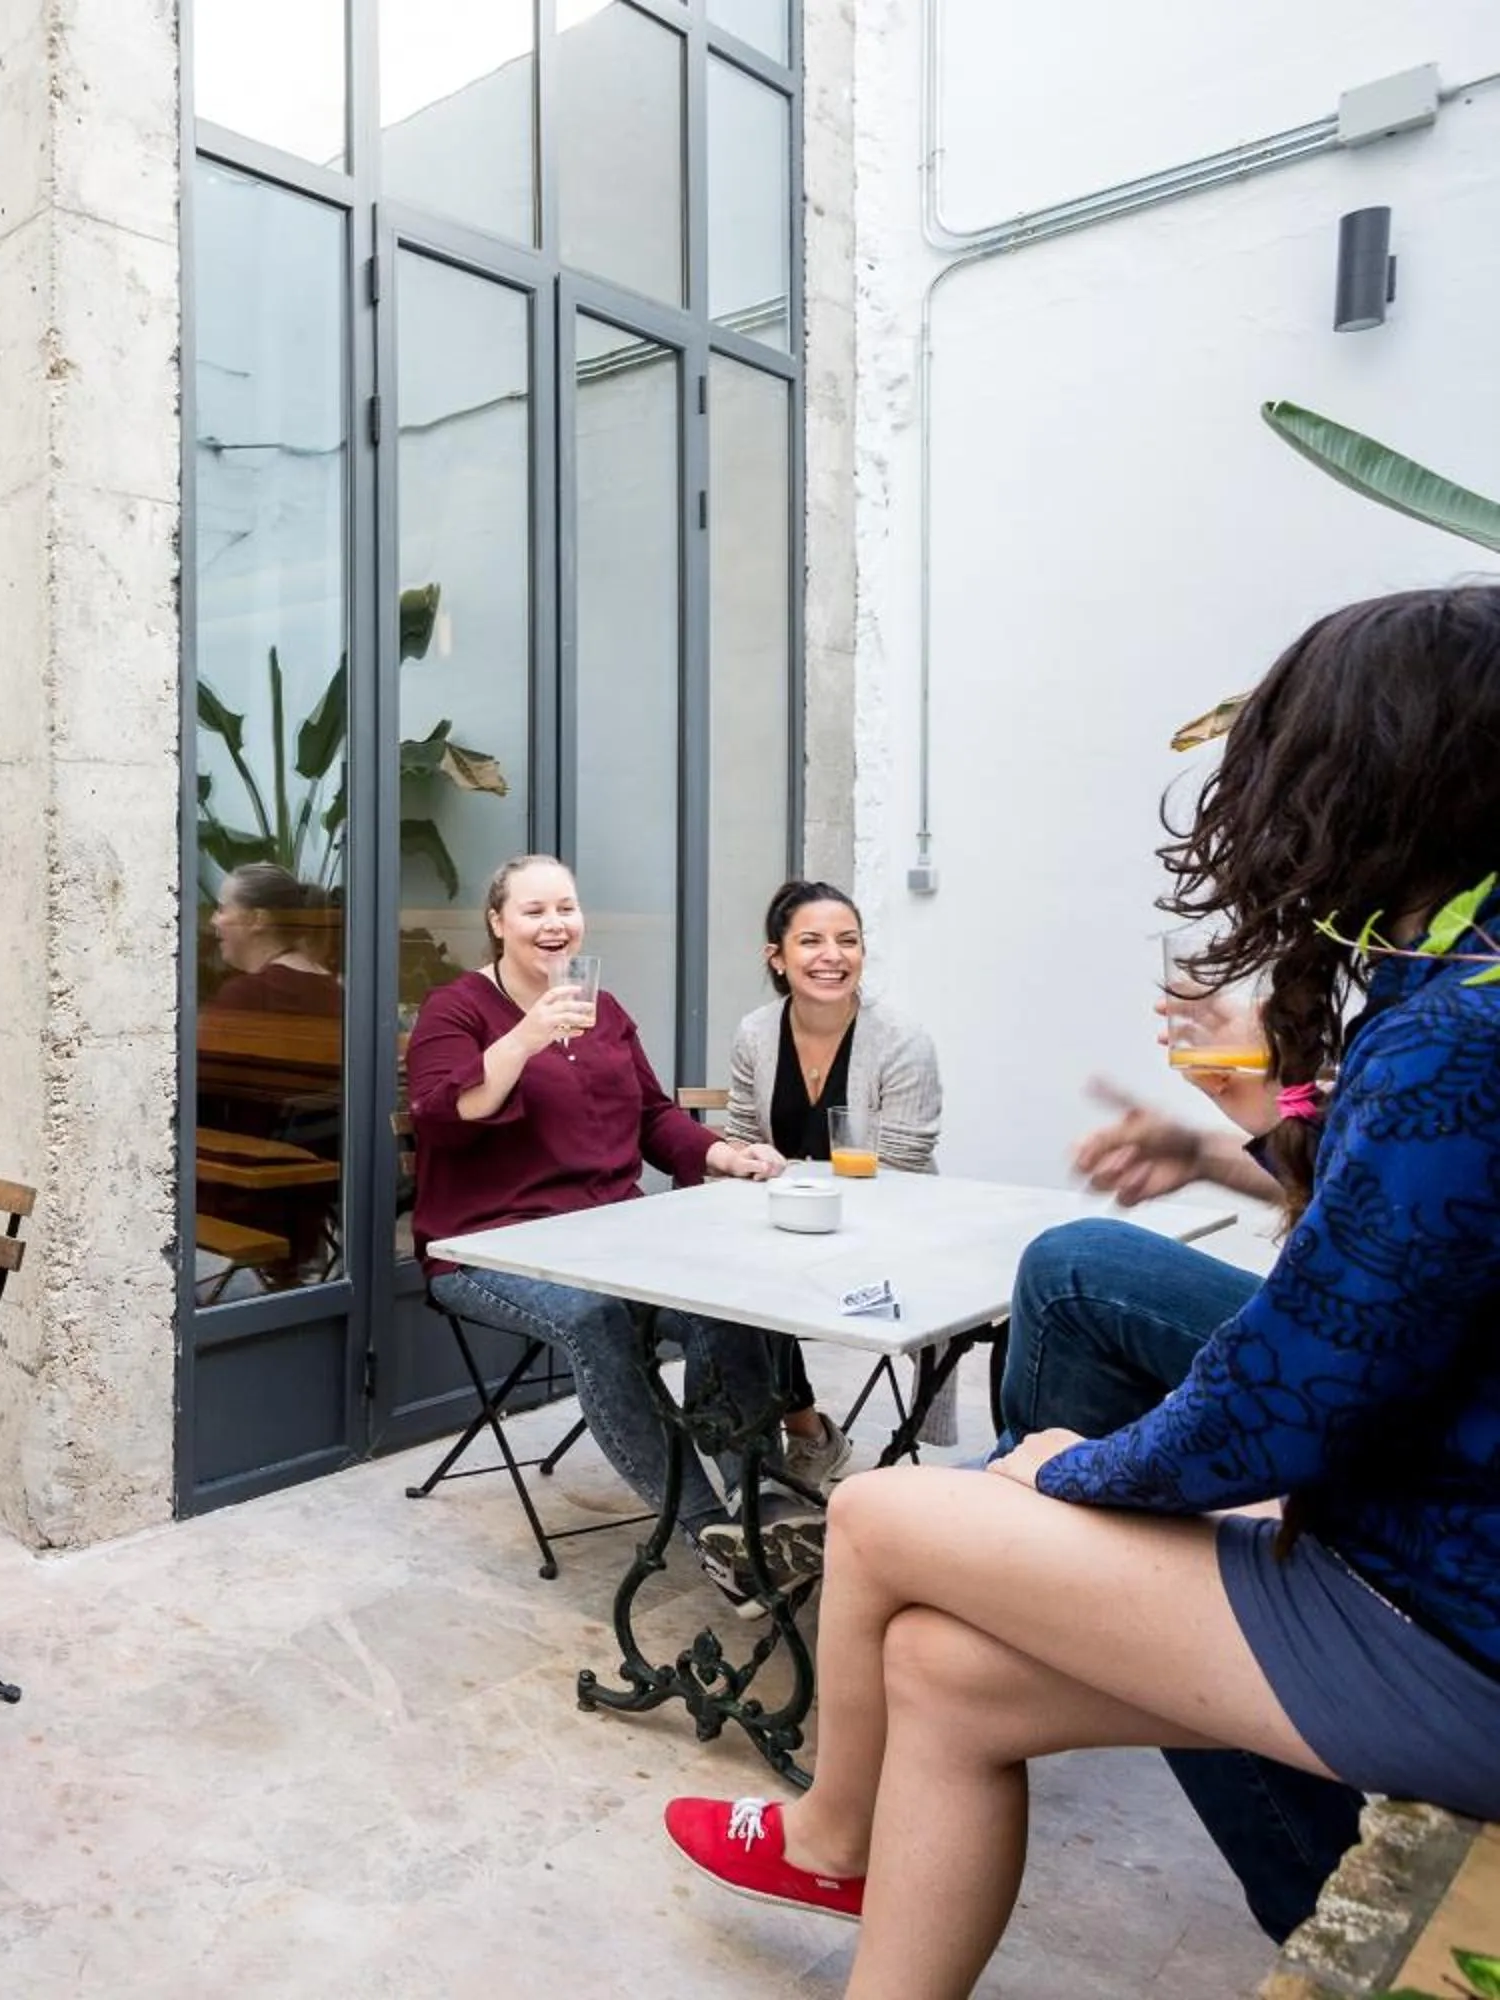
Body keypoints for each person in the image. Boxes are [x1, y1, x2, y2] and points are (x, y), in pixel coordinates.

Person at [663, 583, 1500, 1999]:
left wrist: (1073, 1470)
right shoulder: (1457, 992)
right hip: (1425, 1542)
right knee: (943, 1671)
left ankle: (828, 1834)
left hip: (1444, 1616)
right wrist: (1229, 1142)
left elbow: (1297, 1393)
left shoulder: (1457, 1033)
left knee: (877, 1511)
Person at [997, 1000, 1361, 1945]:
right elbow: (1373, 1182)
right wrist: (1220, 1138)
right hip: (1399, 1354)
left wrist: (1090, 1472)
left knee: (1091, 1530)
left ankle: (1321, 1908)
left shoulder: (1453, 1012)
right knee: (1072, 1266)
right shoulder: (1438, 986)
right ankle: (1042, 1559)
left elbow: (1369, 1289)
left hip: (1429, 1419)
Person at [406, 854, 798, 1611]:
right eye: (534, 911)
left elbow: (653, 1116)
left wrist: (723, 1154)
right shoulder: (456, 1009)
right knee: (597, 1319)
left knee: (728, 1302)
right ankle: (708, 1532)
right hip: (487, 1247)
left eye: (567, 907)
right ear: (497, 922)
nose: (555, 924)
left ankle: (760, 1504)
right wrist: (526, 1036)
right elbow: (443, 1116)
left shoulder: (604, 1009)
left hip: (609, 1237)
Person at [723, 880, 945, 1488]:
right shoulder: (755, 1033)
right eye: (811, 941)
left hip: (887, 1240)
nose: (833, 956)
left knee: (750, 1286)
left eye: (848, 941)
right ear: (777, 957)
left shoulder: (902, 1041)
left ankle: (780, 1449)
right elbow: (742, 1139)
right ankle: (792, 1439)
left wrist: (787, 1176)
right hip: (786, 1230)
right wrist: (743, 1163)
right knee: (720, 1290)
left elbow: (901, 1168)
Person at [204, 862, 343, 1017]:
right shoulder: (337, 994)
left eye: (222, 909)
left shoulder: (245, 997)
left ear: (257, 919)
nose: (213, 920)